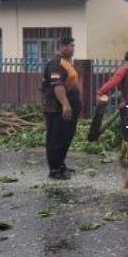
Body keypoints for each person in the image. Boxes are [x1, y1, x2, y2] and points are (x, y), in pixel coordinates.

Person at [40, 36, 83, 180]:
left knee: (66, 137)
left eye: (73, 45)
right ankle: (54, 169)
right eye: (70, 45)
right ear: (62, 47)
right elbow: (57, 86)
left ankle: (61, 164)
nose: (73, 48)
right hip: (56, 108)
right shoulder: (55, 64)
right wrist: (65, 105)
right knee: (56, 138)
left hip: (69, 108)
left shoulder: (67, 63)